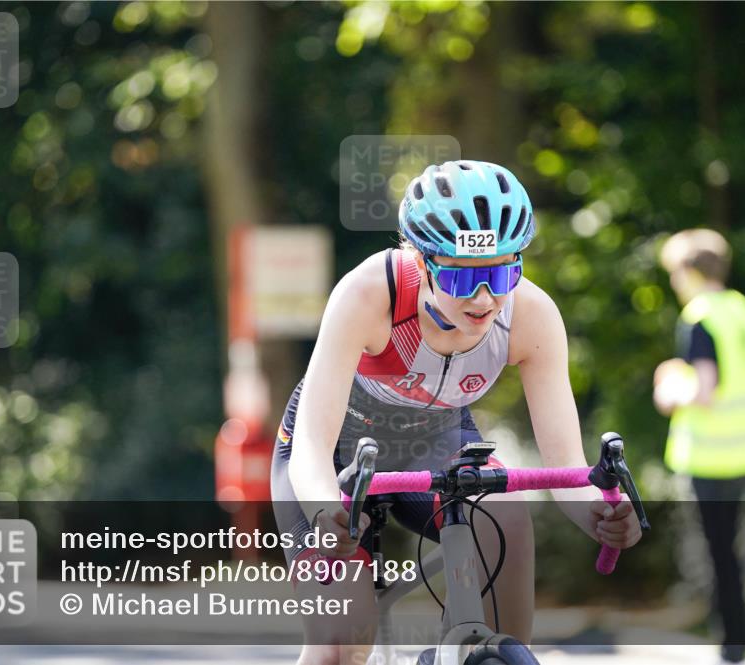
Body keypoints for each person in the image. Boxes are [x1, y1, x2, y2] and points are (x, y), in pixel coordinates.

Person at [271, 160, 642, 665]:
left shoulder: (531, 316)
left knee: (506, 515)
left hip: (435, 439)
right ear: (420, 261)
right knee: (340, 643)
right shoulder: (367, 296)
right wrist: (322, 512)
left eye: (502, 272)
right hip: (335, 453)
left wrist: (597, 514)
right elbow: (313, 444)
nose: (485, 298)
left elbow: (565, 465)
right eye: (463, 278)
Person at [653, 229, 745, 664]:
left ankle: (733, 644)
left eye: (674, 273)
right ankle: (739, 638)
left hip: (712, 454)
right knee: (733, 550)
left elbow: (705, 390)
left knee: (719, 552)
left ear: (689, 271)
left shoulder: (699, 316)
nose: (673, 283)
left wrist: (668, 389)